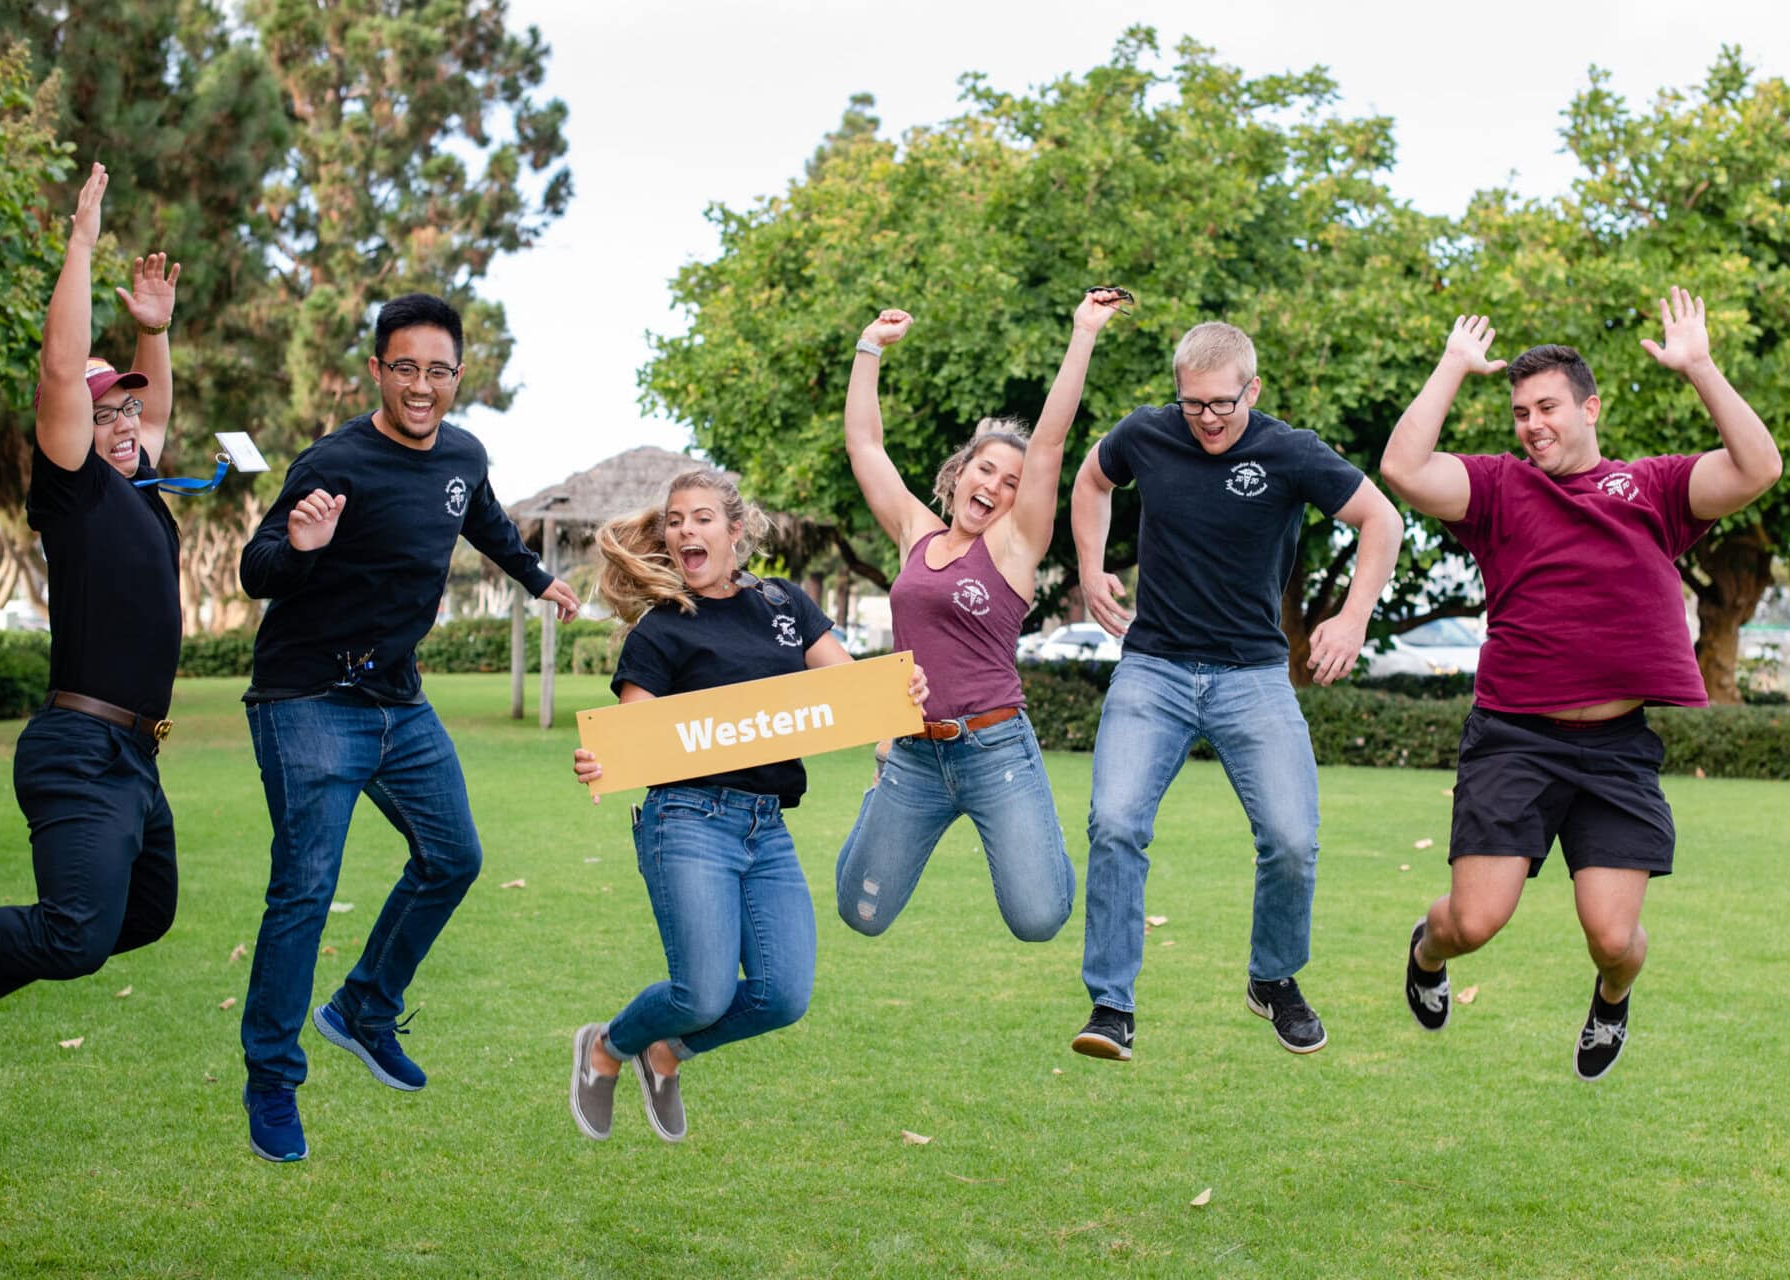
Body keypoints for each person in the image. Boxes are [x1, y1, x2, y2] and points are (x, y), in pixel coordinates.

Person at [1382, 297, 1781, 1081]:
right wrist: (1453, 367)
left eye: (1548, 407)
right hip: (1514, 738)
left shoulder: (1654, 489)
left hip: (1615, 748)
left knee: (1611, 936)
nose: (1532, 424)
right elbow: (1401, 469)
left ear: (1589, 407)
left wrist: (1699, 364)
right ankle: (1426, 953)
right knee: (1474, 920)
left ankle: (1612, 996)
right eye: (1521, 411)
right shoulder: (1497, 489)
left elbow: (1758, 468)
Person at [235, 292, 581, 1162]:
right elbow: (256, 568)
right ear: (378, 370)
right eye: (405, 369)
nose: (421, 386)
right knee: (305, 888)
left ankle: (362, 1007)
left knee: (454, 857)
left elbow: (488, 524)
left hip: (398, 701)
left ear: (457, 375)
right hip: (308, 698)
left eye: (437, 370)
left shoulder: (462, 453)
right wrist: (303, 548)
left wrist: (539, 579)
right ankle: (272, 1077)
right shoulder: (335, 461)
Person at [0, 164, 183, 1079]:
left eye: (130, 409)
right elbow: (61, 370)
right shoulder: (75, 493)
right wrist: (81, 244)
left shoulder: (141, 494)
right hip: (81, 746)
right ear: (72, 429)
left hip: (136, 755)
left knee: (142, 916)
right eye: (105, 413)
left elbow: (157, 407)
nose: (126, 421)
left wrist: (152, 334)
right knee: (73, 934)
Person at [1071, 321, 1403, 1060]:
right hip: (1153, 667)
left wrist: (1353, 618)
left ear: (1252, 389)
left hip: (1252, 675)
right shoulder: (1147, 435)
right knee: (1116, 823)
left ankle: (1273, 979)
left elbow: (1381, 519)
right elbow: (1092, 479)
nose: (1209, 419)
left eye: (1223, 403)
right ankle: (1111, 1005)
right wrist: (1090, 566)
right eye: (1194, 405)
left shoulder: (1290, 451)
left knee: (1291, 839)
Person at [568, 470, 927, 1143]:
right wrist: (602, 759)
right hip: (688, 820)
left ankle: (666, 1054)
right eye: (675, 521)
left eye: (701, 518)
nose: (683, 532)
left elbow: (850, 686)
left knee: (782, 995)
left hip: (768, 827)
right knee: (700, 994)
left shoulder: (784, 604)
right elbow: (630, 739)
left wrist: (897, 690)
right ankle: (605, 1049)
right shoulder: (660, 630)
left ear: (735, 531)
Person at [833, 290, 1126, 943]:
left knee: (1039, 918)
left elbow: (1048, 445)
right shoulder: (916, 533)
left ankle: (1045, 840)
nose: (991, 486)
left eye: (1009, 482)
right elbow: (865, 446)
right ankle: (877, 790)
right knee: (861, 913)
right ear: (961, 471)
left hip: (995, 747)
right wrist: (868, 348)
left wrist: (1083, 333)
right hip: (911, 754)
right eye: (984, 469)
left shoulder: (1014, 548)